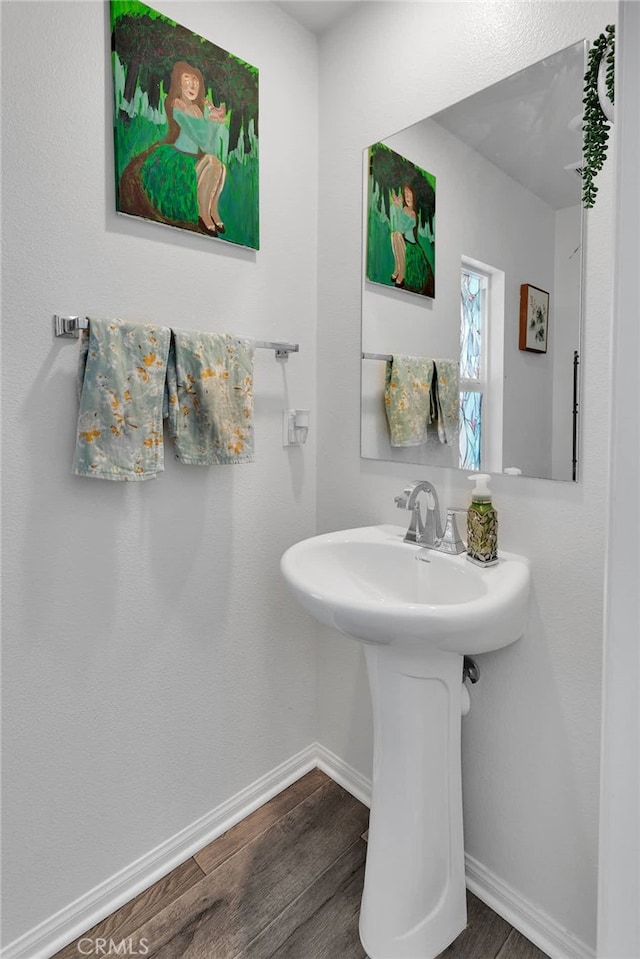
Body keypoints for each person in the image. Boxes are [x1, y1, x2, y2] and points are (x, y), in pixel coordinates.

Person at [139, 61, 227, 235]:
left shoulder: (197, 109)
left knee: (221, 167)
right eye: (187, 78)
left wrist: (214, 122)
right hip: (179, 159)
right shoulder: (178, 104)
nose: (193, 84)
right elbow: (201, 140)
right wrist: (212, 121)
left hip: (192, 158)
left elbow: (208, 145)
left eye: (196, 79)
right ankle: (203, 214)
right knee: (211, 161)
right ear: (178, 82)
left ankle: (213, 210)